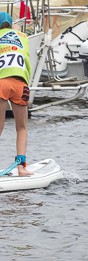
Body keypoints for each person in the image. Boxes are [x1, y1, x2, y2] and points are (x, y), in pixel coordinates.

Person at [0, 12, 34, 177]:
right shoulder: (22, 36)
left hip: (1, 83)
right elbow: (16, 28)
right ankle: (22, 167)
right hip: (20, 84)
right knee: (22, 128)